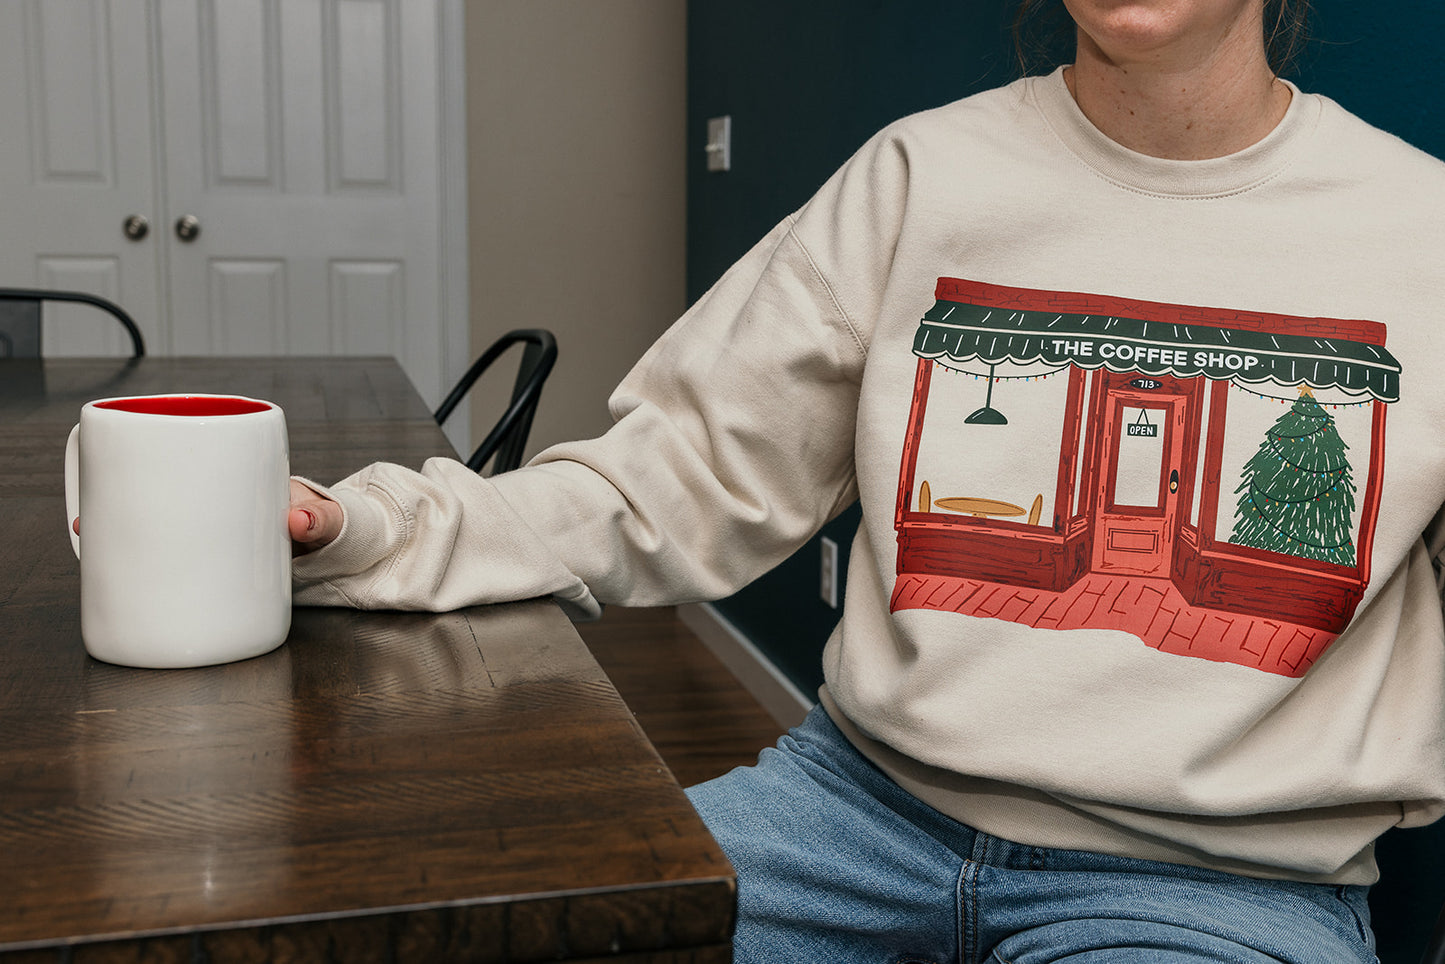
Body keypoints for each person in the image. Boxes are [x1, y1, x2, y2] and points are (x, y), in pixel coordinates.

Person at [288, 1, 1445, 960]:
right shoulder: (915, 177)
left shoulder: (1416, 231)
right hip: (851, 814)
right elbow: (668, 477)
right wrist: (368, 527)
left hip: (1217, 889)